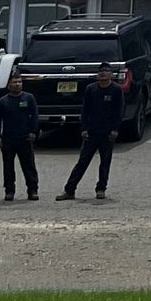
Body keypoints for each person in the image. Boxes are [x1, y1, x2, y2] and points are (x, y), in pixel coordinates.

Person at [58, 60, 126, 202]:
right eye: (100, 72)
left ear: (111, 74)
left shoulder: (116, 90)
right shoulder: (91, 89)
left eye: (106, 72)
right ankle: (69, 190)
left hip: (107, 133)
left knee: (105, 162)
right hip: (91, 132)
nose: (102, 74)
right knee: (82, 162)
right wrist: (84, 128)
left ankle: (101, 189)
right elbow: (85, 110)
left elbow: (118, 111)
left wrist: (115, 129)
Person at [0, 72, 41, 202]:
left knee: (29, 165)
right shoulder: (3, 102)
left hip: (25, 138)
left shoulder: (29, 98)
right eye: (14, 82)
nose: (17, 84)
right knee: (8, 167)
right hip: (8, 139)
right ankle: (9, 191)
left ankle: (32, 190)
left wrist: (33, 132)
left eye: (19, 82)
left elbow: (35, 116)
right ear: (9, 85)